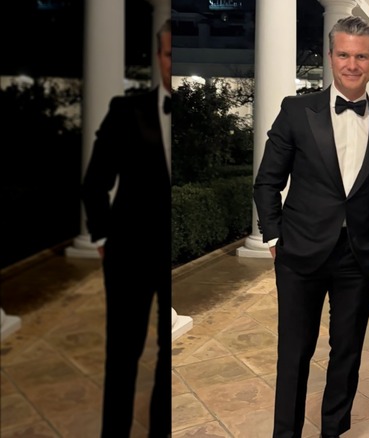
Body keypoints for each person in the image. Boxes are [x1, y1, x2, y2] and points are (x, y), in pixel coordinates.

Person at [253, 15, 369, 438]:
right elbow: (268, 180)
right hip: (299, 253)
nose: (351, 64)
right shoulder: (297, 110)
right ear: (331, 57)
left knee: (347, 354)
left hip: (359, 255)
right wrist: (274, 234)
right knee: (294, 353)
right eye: (343, 54)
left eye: (360, 56)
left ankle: (332, 432)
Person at [81, 19, 173, 438]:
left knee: (167, 358)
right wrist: (101, 237)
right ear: (159, 58)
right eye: (169, 54)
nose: (173, 63)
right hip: (128, 254)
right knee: (122, 355)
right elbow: (94, 182)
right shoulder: (126, 111)